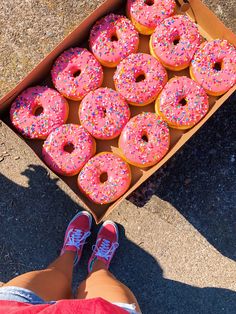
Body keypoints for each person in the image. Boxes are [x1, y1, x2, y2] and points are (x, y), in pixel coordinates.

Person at [0, 211, 141, 313]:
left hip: (17, 308)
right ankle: (99, 263)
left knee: (56, 273)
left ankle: (70, 252)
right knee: (101, 277)